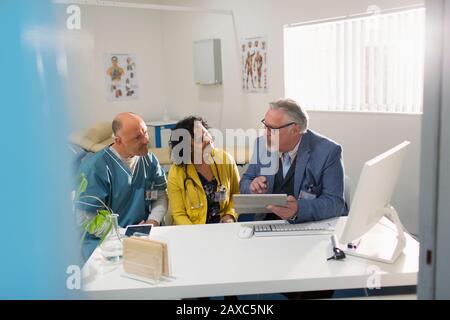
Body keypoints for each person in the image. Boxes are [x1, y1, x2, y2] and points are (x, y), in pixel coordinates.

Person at [240, 98, 348, 223]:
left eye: (272, 129)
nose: (266, 133)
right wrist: (252, 187)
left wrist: (298, 209)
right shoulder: (261, 144)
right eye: (265, 126)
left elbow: (335, 203)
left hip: (306, 226)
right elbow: (245, 182)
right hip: (266, 224)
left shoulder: (328, 152)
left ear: (295, 130)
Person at [76, 112, 168, 260]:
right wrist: (123, 234)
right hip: (106, 244)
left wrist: (153, 221)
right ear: (118, 141)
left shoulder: (150, 160)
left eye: (145, 132)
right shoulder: (95, 168)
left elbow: (161, 195)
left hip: (145, 236)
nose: (145, 140)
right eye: (137, 137)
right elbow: (85, 216)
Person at [167, 116, 240, 225]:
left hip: (223, 227)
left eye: (206, 134)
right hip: (191, 230)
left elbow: (236, 194)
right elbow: (178, 214)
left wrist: (230, 215)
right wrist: (196, 234)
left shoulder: (225, 160)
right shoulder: (177, 172)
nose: (208, 140)